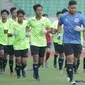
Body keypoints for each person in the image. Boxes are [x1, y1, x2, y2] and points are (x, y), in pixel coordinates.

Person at [57, 0, 85, 84]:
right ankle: (72, 79)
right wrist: (59, 33)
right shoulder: (63, 16)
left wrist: (81, 29)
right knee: (69, 59)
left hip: (77, 42)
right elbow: (59, 24)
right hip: (67, 41)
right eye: (72, 8)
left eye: (75, 8)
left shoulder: (81, 17)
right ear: (68, 7)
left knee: (75, 61)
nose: (73, 9)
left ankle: (69, 72)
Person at [26, 4, 51, 81]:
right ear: (35, 11)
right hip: (33, 42)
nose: (39, 12)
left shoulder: (46, 20)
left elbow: (52, 30)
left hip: (43, 43)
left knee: (41, 60)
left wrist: (46, 31)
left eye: (41, 10)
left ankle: (35, 70)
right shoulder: (31, 20)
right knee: (35, 58)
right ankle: (36, 75)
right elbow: (27, 26)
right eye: (38, 10)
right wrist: (27, 32)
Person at [8, 9, 29, 79]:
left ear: (24, 16)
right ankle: (18, 74)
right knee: (18, 60)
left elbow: (29, 29)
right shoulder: (13, 24)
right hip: (17, 45)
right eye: (19, 16)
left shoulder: (26, 22)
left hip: (25, 44)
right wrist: (12, 33)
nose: (21, 18)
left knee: (24, 62)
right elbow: (8, 34)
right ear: (17, 16)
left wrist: (28, 32)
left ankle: (22, 69)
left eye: (22, 16)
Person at [7, 7, 17, 76]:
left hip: (18, 42)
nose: (16, 13)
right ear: (11, 13)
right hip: (10, 42)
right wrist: (11, 33)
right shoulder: (8, 21)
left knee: (18, 56)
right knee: (11, 56)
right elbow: (6, 32)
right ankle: (11, 70)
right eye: (14, 12)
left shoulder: (19, 19)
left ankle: (17, 68)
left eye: (16, 12)